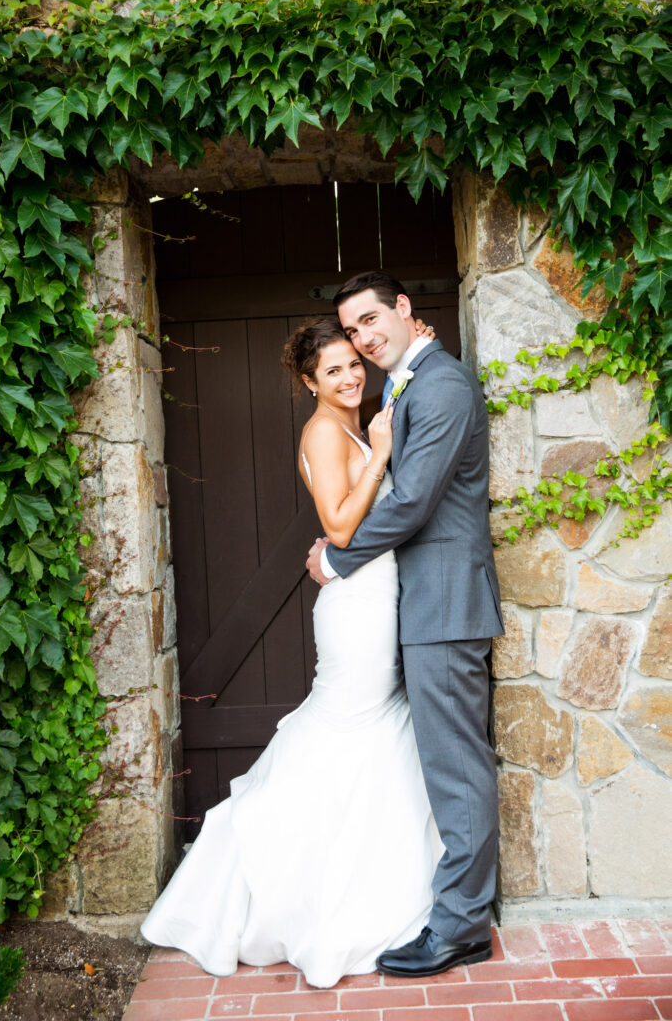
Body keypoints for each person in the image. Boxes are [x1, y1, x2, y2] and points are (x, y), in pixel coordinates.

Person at [140, 316, 443, 989]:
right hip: (355, 608)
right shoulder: (323, 432)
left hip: (376, 595)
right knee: (346, 730)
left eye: (353, 364)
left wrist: (411, 347)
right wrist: (384, 454)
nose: (349, 376)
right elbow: (337, 525)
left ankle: (370, 885)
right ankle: (275, 881)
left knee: (368, 736)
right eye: (332, 369)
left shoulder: (361, 425)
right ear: (309, 382)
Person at [307, 271, 504, 979]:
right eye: (353, 330)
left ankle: (458, 928)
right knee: (446, 764)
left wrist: (338, 558)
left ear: (405, 311)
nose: (364, 336)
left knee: (456, 768)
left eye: (371, 320)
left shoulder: (442, 385)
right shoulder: (408, 384)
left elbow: (416, 498)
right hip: (424, 602)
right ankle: (460, 916)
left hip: (446, 604)